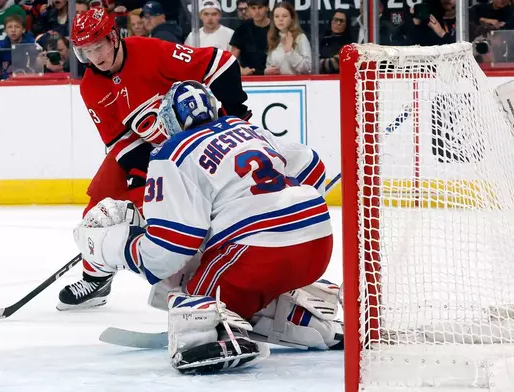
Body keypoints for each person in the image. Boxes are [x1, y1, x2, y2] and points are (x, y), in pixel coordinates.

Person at [72, 80, 343, 373]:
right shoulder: (246, 128)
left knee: (191, 293)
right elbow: (313, 167)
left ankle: (215, 334)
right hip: (318, 242)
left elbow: (168, 252)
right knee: (232, 272)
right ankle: (308, 318)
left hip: (258, 254)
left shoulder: (172, 152)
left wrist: (121, 248)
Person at [58, 8, 253, 311]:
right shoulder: (91, 86)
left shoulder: (149, 51)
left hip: (200, 145)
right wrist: (147, 169)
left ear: (114, 37)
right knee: (100, 200)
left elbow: (221, 64)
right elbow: (119, 142)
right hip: (152, 151)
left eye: (98, 47)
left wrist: (236, 118)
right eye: (86, 51)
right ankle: (96, 275)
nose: (94, 57)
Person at [264, 1, 310, 75]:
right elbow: (269, 64)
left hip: (297, 84)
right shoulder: (274, 38)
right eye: (276, 16)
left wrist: (290, 52)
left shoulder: (300, 37)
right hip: (277, 84)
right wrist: (267, 71)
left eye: (284, 16)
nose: (280, 19)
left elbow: (308, 68)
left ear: (292, 19)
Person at [229, 0, 269, 76]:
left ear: (267, 8)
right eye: (253, 8)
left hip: (274, 77)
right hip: (249, 78)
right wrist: (241, 70)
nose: (257, 12)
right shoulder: (242, 29)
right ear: (249, 9)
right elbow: (231, 59)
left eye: (260, 8)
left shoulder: (276, 28)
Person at [319, 10, 354, 74]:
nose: (338, 23)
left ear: (347, 24)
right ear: (331, 21)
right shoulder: (322, 40)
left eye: (342, 21)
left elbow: (334, 64)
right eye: (335, 20)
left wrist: (319, 63)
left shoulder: (350, 45)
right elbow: (311, 64)